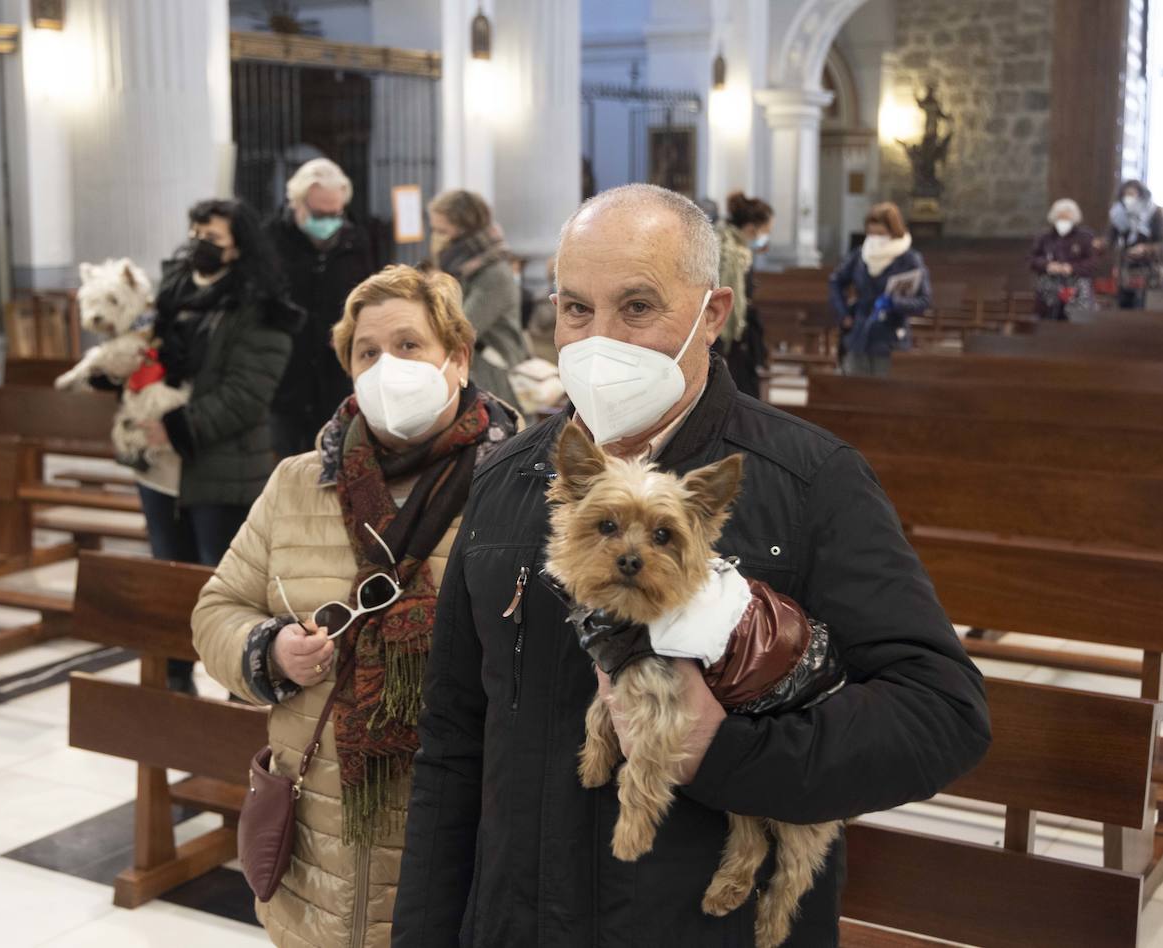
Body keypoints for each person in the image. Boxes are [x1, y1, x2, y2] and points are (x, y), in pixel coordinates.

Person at [392, 184, 990, 947]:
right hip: (520, 920)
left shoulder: (809, 481)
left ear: (713, 313)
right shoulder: (508, 479)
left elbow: (942, 715)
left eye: (636, 307)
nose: (597, 339)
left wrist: (721, 751)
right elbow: (451, 740)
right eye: (575, 309)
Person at [192, 265, 519, 947]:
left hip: (456, 835)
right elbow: (217, 608)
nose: (387, 367)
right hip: (318, 843)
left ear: (456, 358)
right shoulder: (297, 484)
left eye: (409, 346)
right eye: (367, 353)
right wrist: (270, 651)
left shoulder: (514, 486)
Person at [140, 198, 299, 694]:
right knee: (169, 577)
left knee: (226, 585)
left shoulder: (262, 308)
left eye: (210, 236)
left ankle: (239, 687)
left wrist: (178, 427)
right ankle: (173, 678)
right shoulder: (173, 292)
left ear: (238, 246)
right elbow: (153, 357)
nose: (197, 243)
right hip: (161, 468)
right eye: (194, 232)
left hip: (222, 467)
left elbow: (247, 394)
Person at [266, 157, 376, 458]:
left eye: (335, 213)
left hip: (334, 376)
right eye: (319, 213)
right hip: (286, 376)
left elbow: (368, 295)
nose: (328, 220)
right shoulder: (270, 240)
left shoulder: (356, 240)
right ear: (297, 204)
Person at [428, 189, 527, 408]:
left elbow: (464, 327)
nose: (436, 237)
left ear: (464, 227)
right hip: (472, 370)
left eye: (441, 230)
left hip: (494, 374)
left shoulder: (493, 272)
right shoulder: (460, 265)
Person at [828, 202, 932, 377]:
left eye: (881, 234)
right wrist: (843, 313)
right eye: (872, 234)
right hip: (859, 334)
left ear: (893, 231)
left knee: (886, 394)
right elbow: (836, 281)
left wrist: (894, 302)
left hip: (891, 337)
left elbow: (924, 301)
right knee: (854, 391)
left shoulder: (909, 259)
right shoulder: (860, 255)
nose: (876, 239)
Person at [715, 191, 773, 399]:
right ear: (751, 228)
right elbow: (726, 297)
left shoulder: (732, 246)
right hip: (726, 334)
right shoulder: (730, 253)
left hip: (736, 333)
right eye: (766, 230)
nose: (766, 237)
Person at [1029, 198, 1099, 321]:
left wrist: (1072, 268)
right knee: (1046, 322)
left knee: (1078, 323)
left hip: (1077, 287)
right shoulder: (1044, 237)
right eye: (1060, 218)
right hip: (1049, 289)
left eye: (1067, 218)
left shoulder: (1085, 237)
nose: (1063, 222)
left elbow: (1091, 262)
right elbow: (1032, 259)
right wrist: (1047, 265)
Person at [1107, 179, 1163, 309]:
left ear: (1141, 195)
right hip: (1126, 267)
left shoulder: (1155, 212)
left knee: (1144, 305)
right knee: (1124, 305)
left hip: (1148, 267)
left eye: (1132, 194)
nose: (1129, 197)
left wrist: (1145, 248)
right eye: (1126, 194)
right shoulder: (1117, 213)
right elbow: (1110, 239)